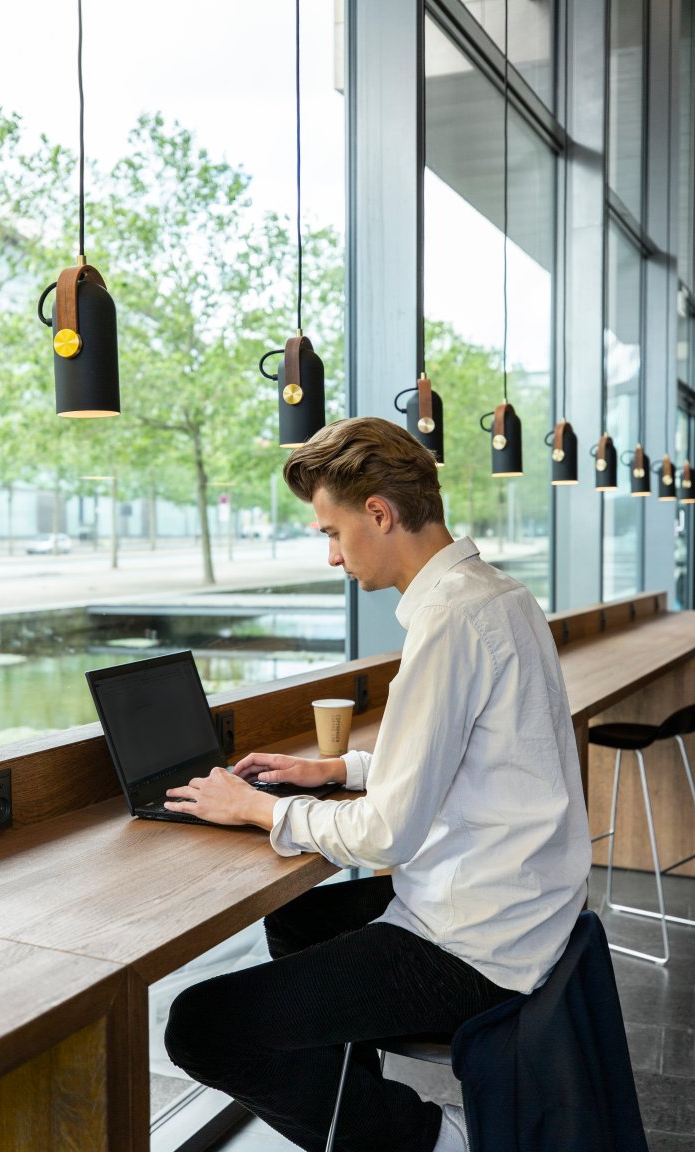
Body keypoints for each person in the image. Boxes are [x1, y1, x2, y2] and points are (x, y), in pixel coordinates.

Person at [163, 416, 592, 1152]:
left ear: (379, 514)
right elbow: (471, 756)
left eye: (332, 532)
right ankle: (349, 1124)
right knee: (298, 924)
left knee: (198, 1025)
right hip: (529, 907)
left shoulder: (450, 623)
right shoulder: (499, 596)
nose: (332, 555)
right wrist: (336, 770)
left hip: (476, 944)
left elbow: (388, 833)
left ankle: (426, 1139)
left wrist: (260, 807)